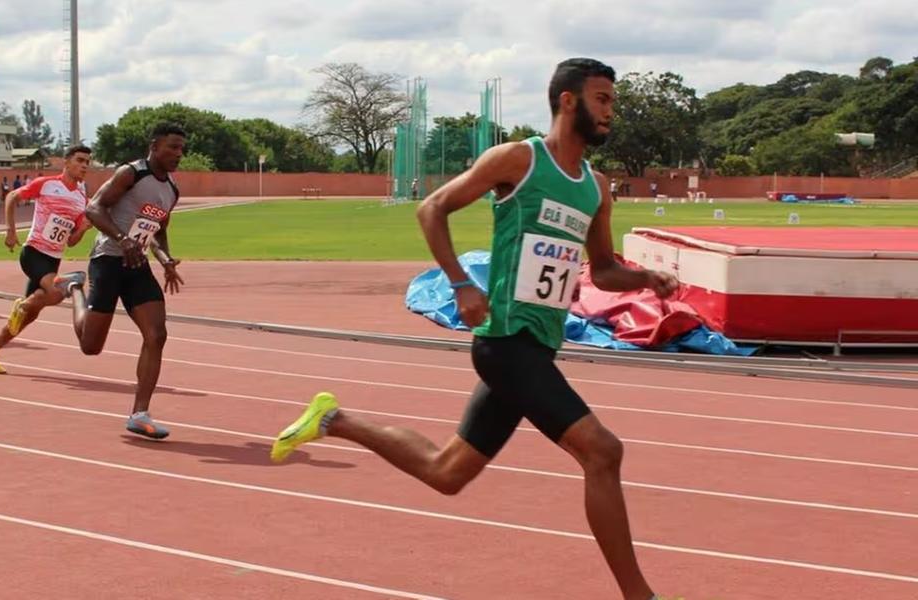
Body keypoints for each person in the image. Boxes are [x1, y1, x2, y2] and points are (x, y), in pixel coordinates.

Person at [269, 58, 676, 600]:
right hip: (506, 343)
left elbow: (600, 268)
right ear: (568, 101)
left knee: (447, 472)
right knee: (603, 451)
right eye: (602, 100)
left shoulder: (597, 187)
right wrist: (461, 284)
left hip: (539, 346)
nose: (611, 113)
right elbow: (432, 209)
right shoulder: (518, 159)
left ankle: (335, 419)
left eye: (613, 103)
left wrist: (646, 277)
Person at [60, 122, 186, 439]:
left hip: (137, 265)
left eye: (182, 148)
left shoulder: (171, 189)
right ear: (154, 145)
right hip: (108, 260)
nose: (178, 154)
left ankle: (139, 413)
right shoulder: (131, 173)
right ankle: (74, 288)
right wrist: (123, 239)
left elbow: (157, 228)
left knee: (157, 334)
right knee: (91, 347)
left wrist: (165, 259)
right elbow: (93, 209)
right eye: (172, 146)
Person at [0, 145, 94, 374]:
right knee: (57, 291)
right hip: (33, 252)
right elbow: (12, 196)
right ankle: (22, 305)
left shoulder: (82, 198)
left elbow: (71, 241)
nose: (84, 166)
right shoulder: (47, 184)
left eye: (87, 163)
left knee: (29, 315)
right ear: (66, 162)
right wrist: (10, 231)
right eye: (80, 160)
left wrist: (83, 229)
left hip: (53, 259)